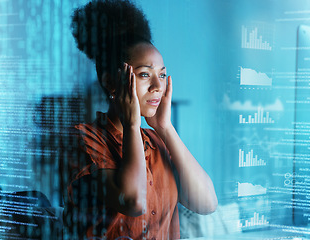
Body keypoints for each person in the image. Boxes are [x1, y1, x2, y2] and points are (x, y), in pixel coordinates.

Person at [62, 0, 217, 239]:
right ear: (110, 82)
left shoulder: (157, 141)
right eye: (145, 74)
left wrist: (165, 128)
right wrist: (132, 124)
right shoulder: (83, 138)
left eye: (162, 75)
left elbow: (207, 204)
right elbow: (133, 201)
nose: (158, 86)